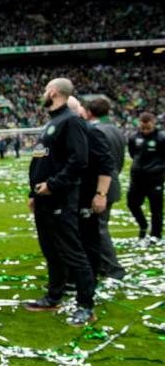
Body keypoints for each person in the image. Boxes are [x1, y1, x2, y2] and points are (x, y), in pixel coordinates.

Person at [24, 78, 95, 326]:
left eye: (45, 90)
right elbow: (41, 159)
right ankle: (53, 296)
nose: (43, 94)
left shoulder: (71, 120)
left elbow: (79, 160)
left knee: (72, 251)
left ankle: (86, 305)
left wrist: (53, 185)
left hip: (60, 198)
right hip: (43, 198)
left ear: (53, 92)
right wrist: (33, 192)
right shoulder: (51, 122)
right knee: (51, 250)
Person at [72, 99, 115, 281]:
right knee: (93, 232)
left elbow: (106, 163)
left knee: (95, 233)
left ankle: (107, 270)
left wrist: (101, 192)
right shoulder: (112, 129)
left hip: (97, 189)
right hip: (102, 187)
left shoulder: (92, 131)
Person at [86, 98, 126, 279]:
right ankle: (102, 265)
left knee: (99, 228)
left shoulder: (95, 131)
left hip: (101, 185)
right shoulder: (116, 130)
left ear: (89, 112)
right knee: (100, 226)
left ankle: (113, 269)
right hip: (113, 181)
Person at [126, 112, 165, 242]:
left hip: (155, 179)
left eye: (148, 128)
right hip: (137, 178)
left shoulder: (161, 138)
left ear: (153, 123)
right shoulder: (134, 138)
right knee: (132, 204)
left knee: (156, 208)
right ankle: (143, 225)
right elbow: (133, 154)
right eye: (143, 128)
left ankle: (156, 234)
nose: (145, 131)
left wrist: (157, 169)